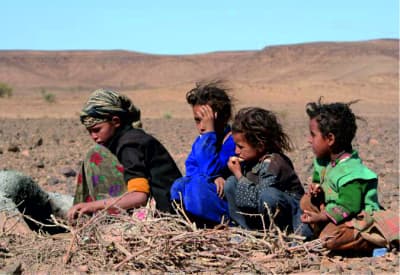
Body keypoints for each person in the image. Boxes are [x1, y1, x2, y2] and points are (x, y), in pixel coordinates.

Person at [67, 89, 182, 222]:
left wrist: (92, 206)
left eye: (97, 130)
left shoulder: (129, 145)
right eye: (89, 131)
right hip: (170, 208)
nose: (93, 136)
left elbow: (139, 196)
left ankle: (109, 221)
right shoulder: (129, 138)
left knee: (95, 155)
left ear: (115, 121)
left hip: (164, 213)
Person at [300, 98, 399, 253]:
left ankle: (371, 242)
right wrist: (316, 188)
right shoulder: (325, 160)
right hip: (334, 210)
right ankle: (325, 231)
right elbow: (319, 177)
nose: (308, 140)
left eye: (313, 135)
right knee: (307, 201)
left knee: (330, 240)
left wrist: (321, 217)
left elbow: (349, 206)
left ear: (330, 139)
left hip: (357, 218)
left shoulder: (350, 173)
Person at [224, 107, 310, 236]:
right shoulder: (251, 159)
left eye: (241, 147)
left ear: (260, 145)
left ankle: (279, 233)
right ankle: (245, 231)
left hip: (289, 214)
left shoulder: (273, 163)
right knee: (231, 183)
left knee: (268, 195)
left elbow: (259, 198)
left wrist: (238, 174)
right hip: (262, 212)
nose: (236, 151)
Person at [170, 81, 236, 227]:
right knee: (179, 185)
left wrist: (209, 134)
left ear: (220, 117)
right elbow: (191, 168)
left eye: (205, 121)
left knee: (198, 185)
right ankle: (192, 224)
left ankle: (224, 225)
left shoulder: (233, 142)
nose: (201, 127)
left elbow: (211, 169)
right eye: (197, 121)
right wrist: (212, 177)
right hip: (206, 194)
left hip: (227, 201)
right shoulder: (201, 141)